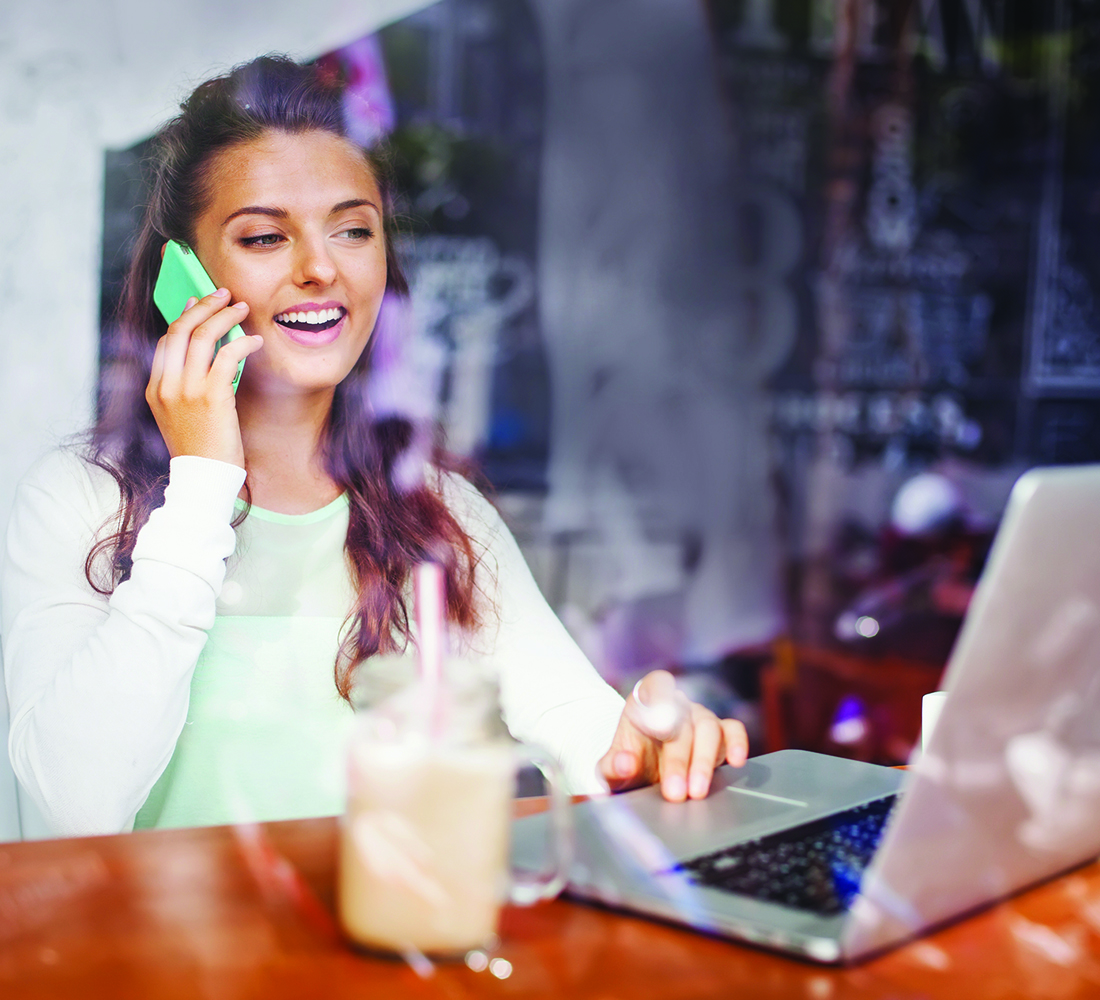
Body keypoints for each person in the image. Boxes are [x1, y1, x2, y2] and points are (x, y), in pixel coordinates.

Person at [1, 56, 747, 837]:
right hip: (154, 960)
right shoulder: (78, 500)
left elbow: (582, 725)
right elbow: (72, 805)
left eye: (353, 229)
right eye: (263, 237)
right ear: (179, 275)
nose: (320, 268)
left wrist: (656, 745)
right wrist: (201, 482)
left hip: (378, 950)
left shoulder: (435, 510)